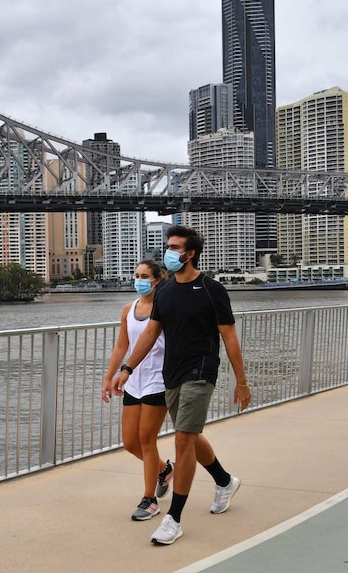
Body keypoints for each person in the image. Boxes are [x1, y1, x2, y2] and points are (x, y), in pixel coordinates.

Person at [112, 225, 252, 546]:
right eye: (168, 246)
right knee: (190, 436)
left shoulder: (211, 289)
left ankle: (173, 518)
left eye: (174, 247)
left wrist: (241, 381)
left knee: (183, 440)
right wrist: (127, 368)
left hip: (201, 371)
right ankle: (224, 480)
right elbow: (150, 333)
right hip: (171, 374)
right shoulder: (165, 292)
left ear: (189, 254)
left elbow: (229, 336)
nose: (169, 252)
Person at [102, 260, 175, 521]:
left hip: (157, 380)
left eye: (145, 276)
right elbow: (122, 346)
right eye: (136, 275)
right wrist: (109, 377)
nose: (139, 280)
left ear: (157, 279)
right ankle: (165, 469)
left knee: (146, 440)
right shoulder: (128, 309)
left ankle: (149, 500)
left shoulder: (165, 308)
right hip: (132, 381)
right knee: (131, 443)